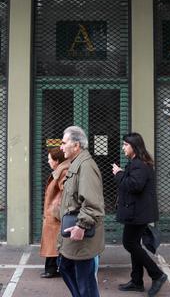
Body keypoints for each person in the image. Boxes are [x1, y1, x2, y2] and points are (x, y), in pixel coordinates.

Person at [112, 132, 167, 297]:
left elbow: (135, 185)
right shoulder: (137, 163)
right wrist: (123, 172)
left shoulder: (140, 164)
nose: (123, 148)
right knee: (134, 244)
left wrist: (119, 174)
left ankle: (157, 274)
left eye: (125, 145)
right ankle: (136, 281)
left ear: (134, 147)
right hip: (136, 212)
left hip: (138, 213)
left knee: (129, 243)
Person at [58, 126, 105, 297]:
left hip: (82, 239)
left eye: (64, 143)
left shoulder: (86, 167)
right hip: (73, 239)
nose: (61, 147)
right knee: (64, 267)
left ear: (76, 145)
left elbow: (93, 204)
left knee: (86, 285)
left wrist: (81, 226)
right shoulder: (76, 164)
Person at [40, 147, 70, 278]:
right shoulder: (60, 170)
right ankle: (51, 268)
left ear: (57, 160)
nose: (48, 162)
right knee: (53, 242)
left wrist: (57, 208)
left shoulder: (63, 171)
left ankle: (52, 269)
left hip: (55, 214)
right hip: (53, 213)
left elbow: (67, 192)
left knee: (54, 242)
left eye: (49, 159)